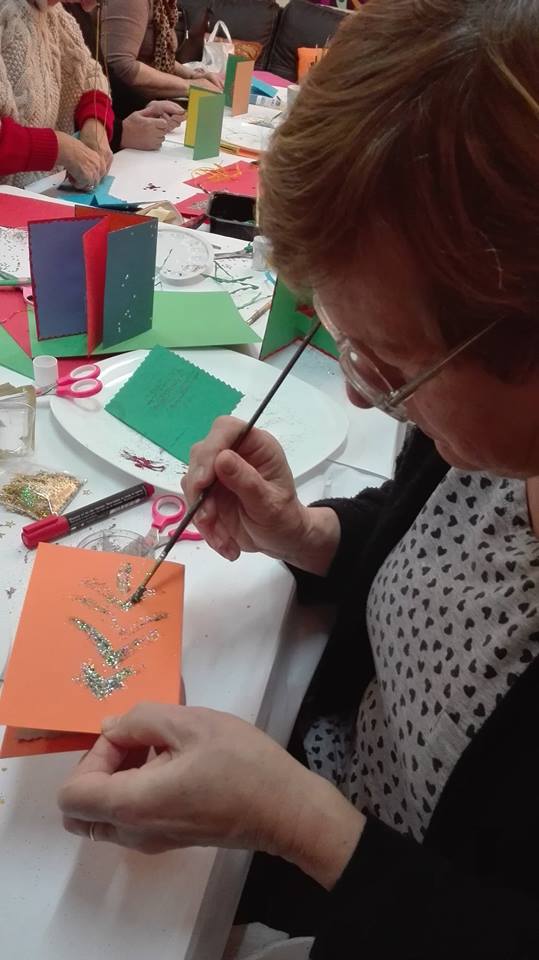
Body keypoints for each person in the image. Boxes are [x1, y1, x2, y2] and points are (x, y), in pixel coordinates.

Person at [58, 1, 539, 957]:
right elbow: (426, 547)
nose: (362, 396)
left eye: (391, 363)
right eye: (344, 343)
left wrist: (301, 827)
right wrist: (307, 533)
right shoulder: (486, 450)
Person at [0, 1, 185, 191]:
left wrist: (95, 126)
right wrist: (61, 147)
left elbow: (91, 77)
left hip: (38, 190)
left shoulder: (55, 14)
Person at [100, 0, 223, 111]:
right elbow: (120, 66)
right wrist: (190, 86)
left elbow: (160, 57)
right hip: (125, 110)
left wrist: (194, 76)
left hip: (147, 105)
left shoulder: (163, 4)